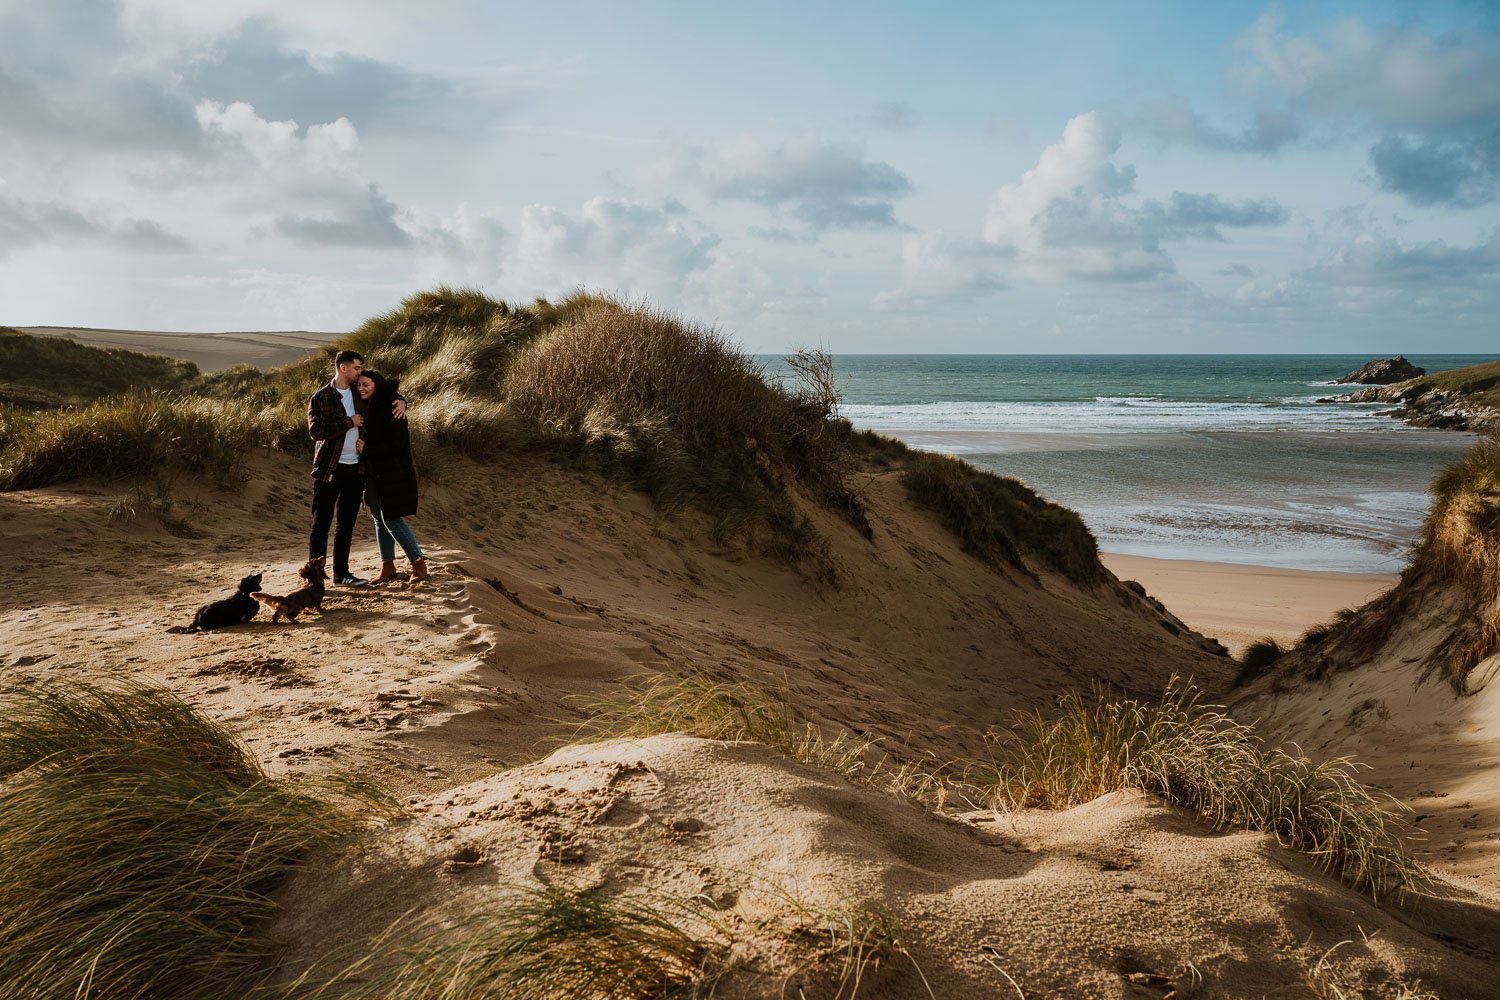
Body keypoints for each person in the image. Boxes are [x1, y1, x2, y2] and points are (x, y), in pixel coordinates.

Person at [306, 350, 404, 587]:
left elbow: (383, 395)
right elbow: (316, 431)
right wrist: (349, 422)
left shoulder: (357, 393)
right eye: (357, 368)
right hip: (330, 468)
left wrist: (402, 401)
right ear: (343, 368)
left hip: (355, 469)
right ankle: (314, 579)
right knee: (321, 524)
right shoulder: (322, 397)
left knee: (346, 524)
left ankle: (341, 574)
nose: (360, 373)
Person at [354, 370, 428, 583]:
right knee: (378, 518)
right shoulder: (369, 404)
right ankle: (387, 566)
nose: (361, 388)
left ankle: (418, 563)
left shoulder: (392, 406)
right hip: (373, 472)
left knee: (391, 519)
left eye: (365, 384)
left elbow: (397, 445)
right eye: (358, 385)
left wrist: (366, 449)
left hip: (393, 472)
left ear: (376, 384)